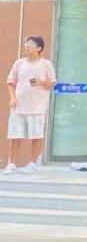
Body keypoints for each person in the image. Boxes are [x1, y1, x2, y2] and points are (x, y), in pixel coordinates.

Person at [4, 35, 56, 174]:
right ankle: (11, 163)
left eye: (30, 44)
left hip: (37, 106)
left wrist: (42, 82)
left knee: (36, 136)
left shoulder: (46, 64)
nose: (26, 46)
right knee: (15, 136)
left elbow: (52, 84)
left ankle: (32, 163)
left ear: (39, 48)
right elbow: (10, 82)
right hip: (18, 105)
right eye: (26, 43)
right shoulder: (19, 63)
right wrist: (12, 98)